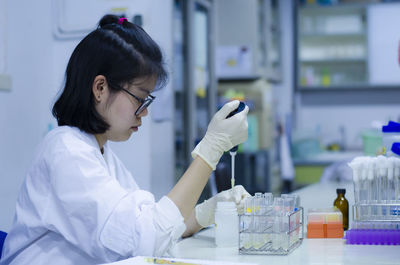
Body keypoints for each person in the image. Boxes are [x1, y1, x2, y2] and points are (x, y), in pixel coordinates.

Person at [0, 15, 250, 264]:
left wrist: (204, 214)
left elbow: (152, 225)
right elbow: (144, 241)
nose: (145, 112)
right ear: (100, 88)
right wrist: (210, 149)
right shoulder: (66, 152)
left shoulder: (100, 152)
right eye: (140, 98)